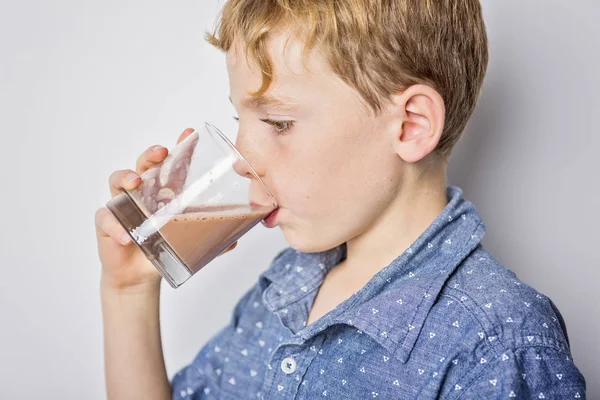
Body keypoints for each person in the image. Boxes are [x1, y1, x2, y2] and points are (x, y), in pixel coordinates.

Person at [94, 0, 587, 398]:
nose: (241, 156)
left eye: (278, 123)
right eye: (239, 120)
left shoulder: (498, 344)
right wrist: (128, 291)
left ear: (411, 125)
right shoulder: (285, 288)